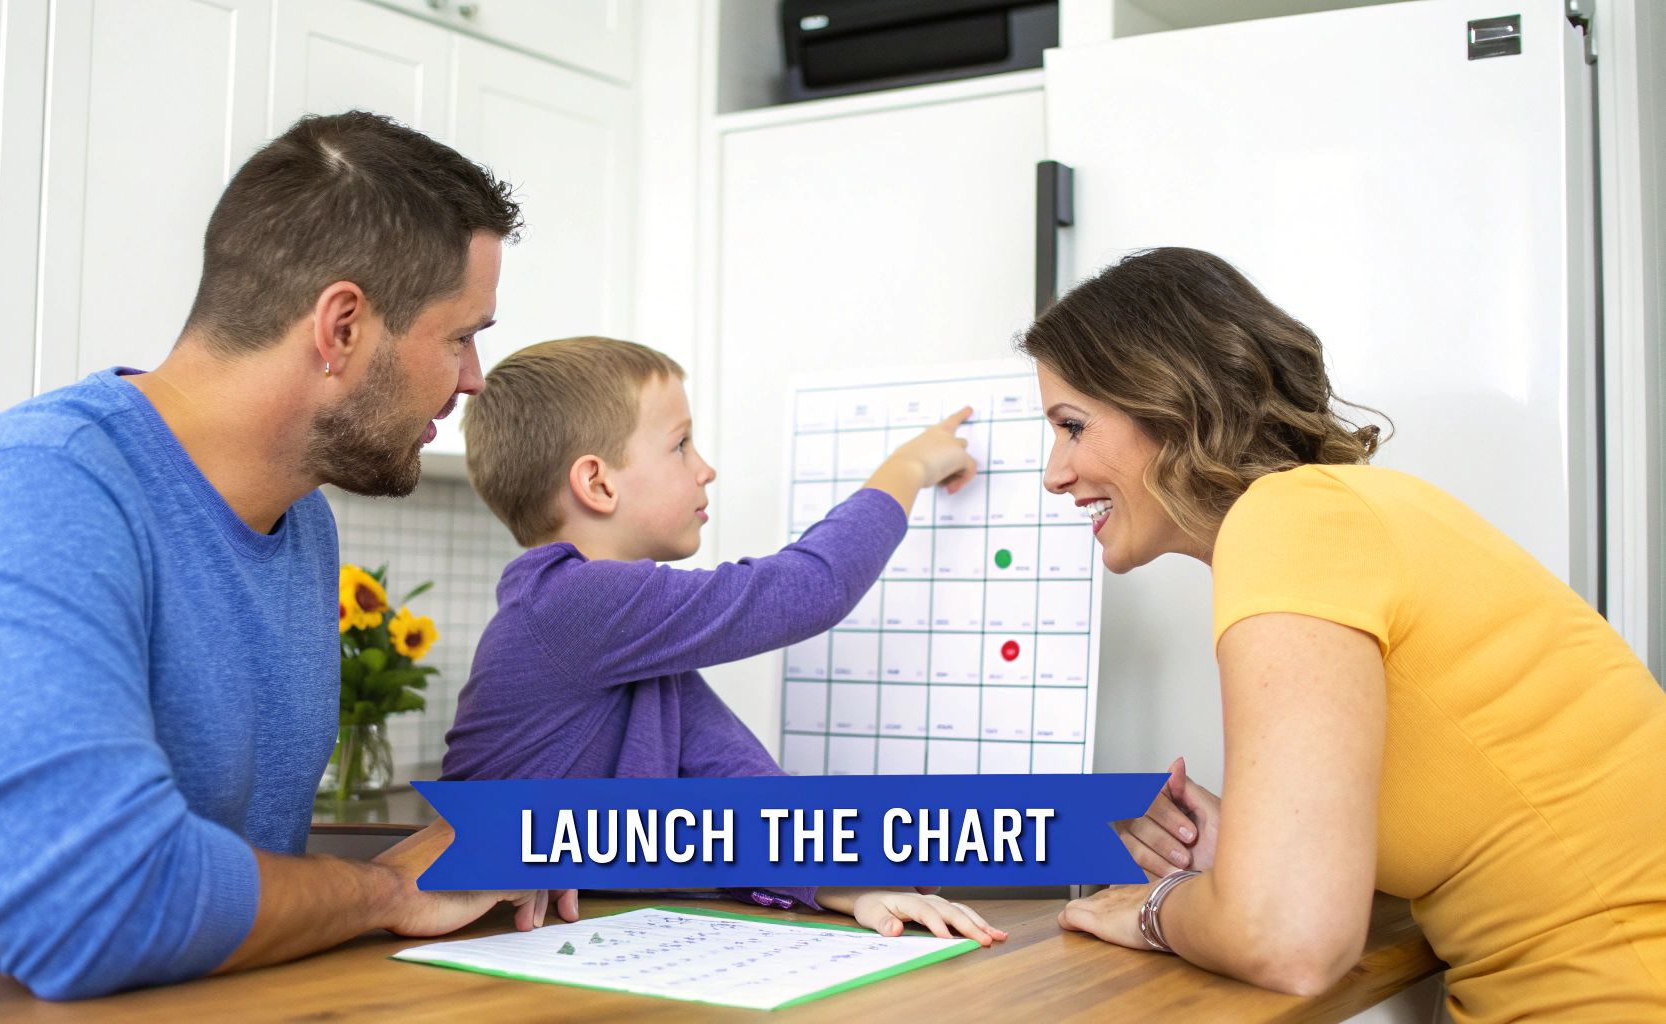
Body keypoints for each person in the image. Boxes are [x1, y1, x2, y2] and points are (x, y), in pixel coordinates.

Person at [0, 112, 575, 1000]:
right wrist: (387, 890)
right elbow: (93, 911)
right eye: (460, 335)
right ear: (342, 327)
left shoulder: (302, 524)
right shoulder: (38, 488)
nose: (473, 378)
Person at [1033, 248, 1666, 1021]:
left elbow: (1289, 939)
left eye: (1072, 427)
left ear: (1168, 402)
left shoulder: (1288, 521)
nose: (1054, 473)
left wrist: (1156, 908)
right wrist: (1257, 852)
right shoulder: (1360, 506)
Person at [441, 337, 1008, 945]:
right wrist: (909, 468)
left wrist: (853, 888)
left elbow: (735, 792)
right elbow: (814, 587)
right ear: (598, 484)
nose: (704, 468)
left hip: (550, 938)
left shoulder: (639, 650)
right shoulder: (574, 603)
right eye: (680, 444)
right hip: (477, 932)